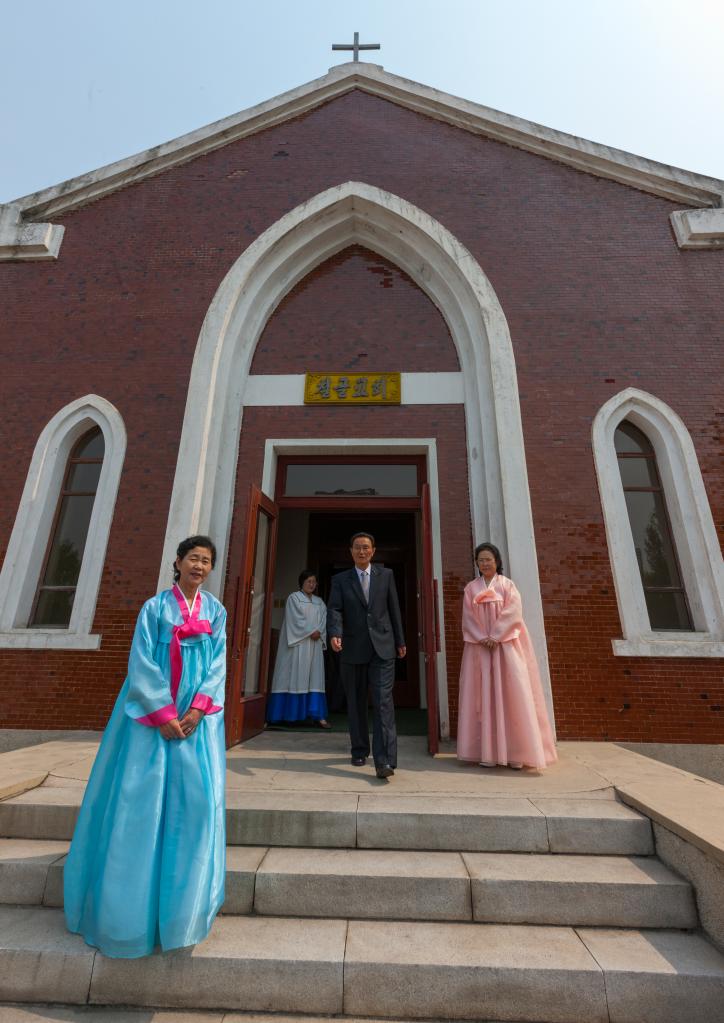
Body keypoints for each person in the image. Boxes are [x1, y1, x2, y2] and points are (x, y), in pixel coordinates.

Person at [64, 535, 227, 958]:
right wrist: (163, 712)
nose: (199, 566)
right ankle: (128, 919)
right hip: (151, 718)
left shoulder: (216, 611)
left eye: (206, 561)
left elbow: (218, 665)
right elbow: (141, 661)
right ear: (177, 562)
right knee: (140, 805)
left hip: (198, 718)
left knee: (198, 806)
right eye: (193, 558)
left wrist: (196, 710)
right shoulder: (154, 609)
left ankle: (183, 914)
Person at [457, 542, 557, 770]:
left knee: (512, 695)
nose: (484, 564)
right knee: (483, 695)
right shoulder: (471, 588)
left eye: (488, 560)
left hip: (507, 647)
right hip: (481, 647)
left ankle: (517, 753)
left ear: (497, 561)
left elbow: (514, 613)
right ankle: (488, 753)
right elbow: (468, 617)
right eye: (480, 560)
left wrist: (497, 635)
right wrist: (483, 637)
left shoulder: (507, 586)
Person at [327, 531, 406, 779]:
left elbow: (394, 608)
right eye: (357, 547)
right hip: (352, 647)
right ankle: (359, 749)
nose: (362, 551)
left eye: (366, 548)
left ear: (373, 551)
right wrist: (335, 633)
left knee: (383, 702)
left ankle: (385, 761)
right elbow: (335, 609)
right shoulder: (340, 580)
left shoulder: (386, 576)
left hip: (382, 647)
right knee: (356, 701)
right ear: (350, 552)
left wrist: (400, 641)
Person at [266, 569, 330, 728]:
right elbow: (295, 620)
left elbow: (323, 620)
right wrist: (311, 631)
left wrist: (319, 632)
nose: (311, 584)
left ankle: (317, 715)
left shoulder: (319, 602)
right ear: (301, 582)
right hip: (298, 645)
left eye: (314, 582)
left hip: (314, 646)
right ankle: (288, 715)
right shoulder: (294, 599)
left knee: (314, 678)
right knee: (292, 677)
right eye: (308, 581)